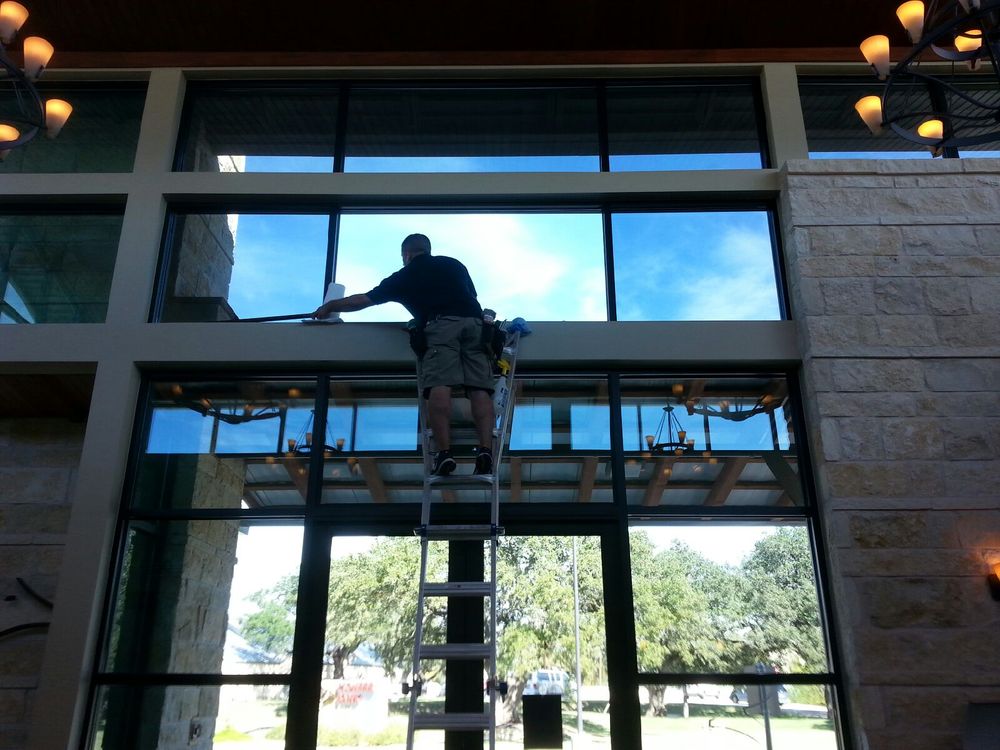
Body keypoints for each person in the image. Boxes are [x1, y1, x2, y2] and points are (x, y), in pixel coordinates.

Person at [313, 233, 495, 476]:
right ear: (427, 249)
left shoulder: (405, 276)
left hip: (442, 327)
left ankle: (444, 453)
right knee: (479, 387)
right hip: (477, 326)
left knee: (440, 384)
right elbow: (471, 296)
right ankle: (486, 451)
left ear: (406, 255)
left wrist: (330, 306)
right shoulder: (454, 264)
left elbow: (362, 301)